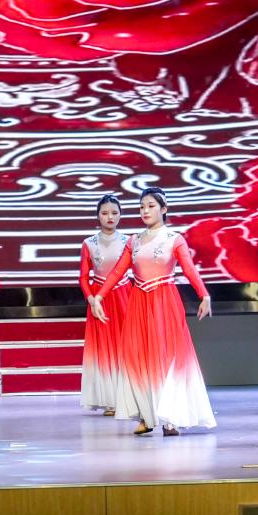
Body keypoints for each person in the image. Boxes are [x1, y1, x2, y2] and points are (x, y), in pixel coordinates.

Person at [92, 187, 215, 436]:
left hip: (164, 302)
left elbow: (189, 269)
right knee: (139, 358)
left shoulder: (173, 239)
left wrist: (204, 294)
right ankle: (147, 416)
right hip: (139, 302)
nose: (145, 211)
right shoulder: (134, 241)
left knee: (166, 357)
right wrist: (99, 296)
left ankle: (170, 419)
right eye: (142, 207)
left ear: (163, 209)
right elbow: (117, 272)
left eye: (150, 206)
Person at [79, 194, 131, 415]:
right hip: (99, 300)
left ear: (120, 215)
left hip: (125, 296)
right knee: (104, 349)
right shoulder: (89, 243)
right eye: (105, 213)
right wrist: (92, 299)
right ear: (97, 216)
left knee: (125, 345)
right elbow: (83, 277)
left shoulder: (130, 241)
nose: (110, 217)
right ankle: (110, 400)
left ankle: (128, 397)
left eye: (114, 212)